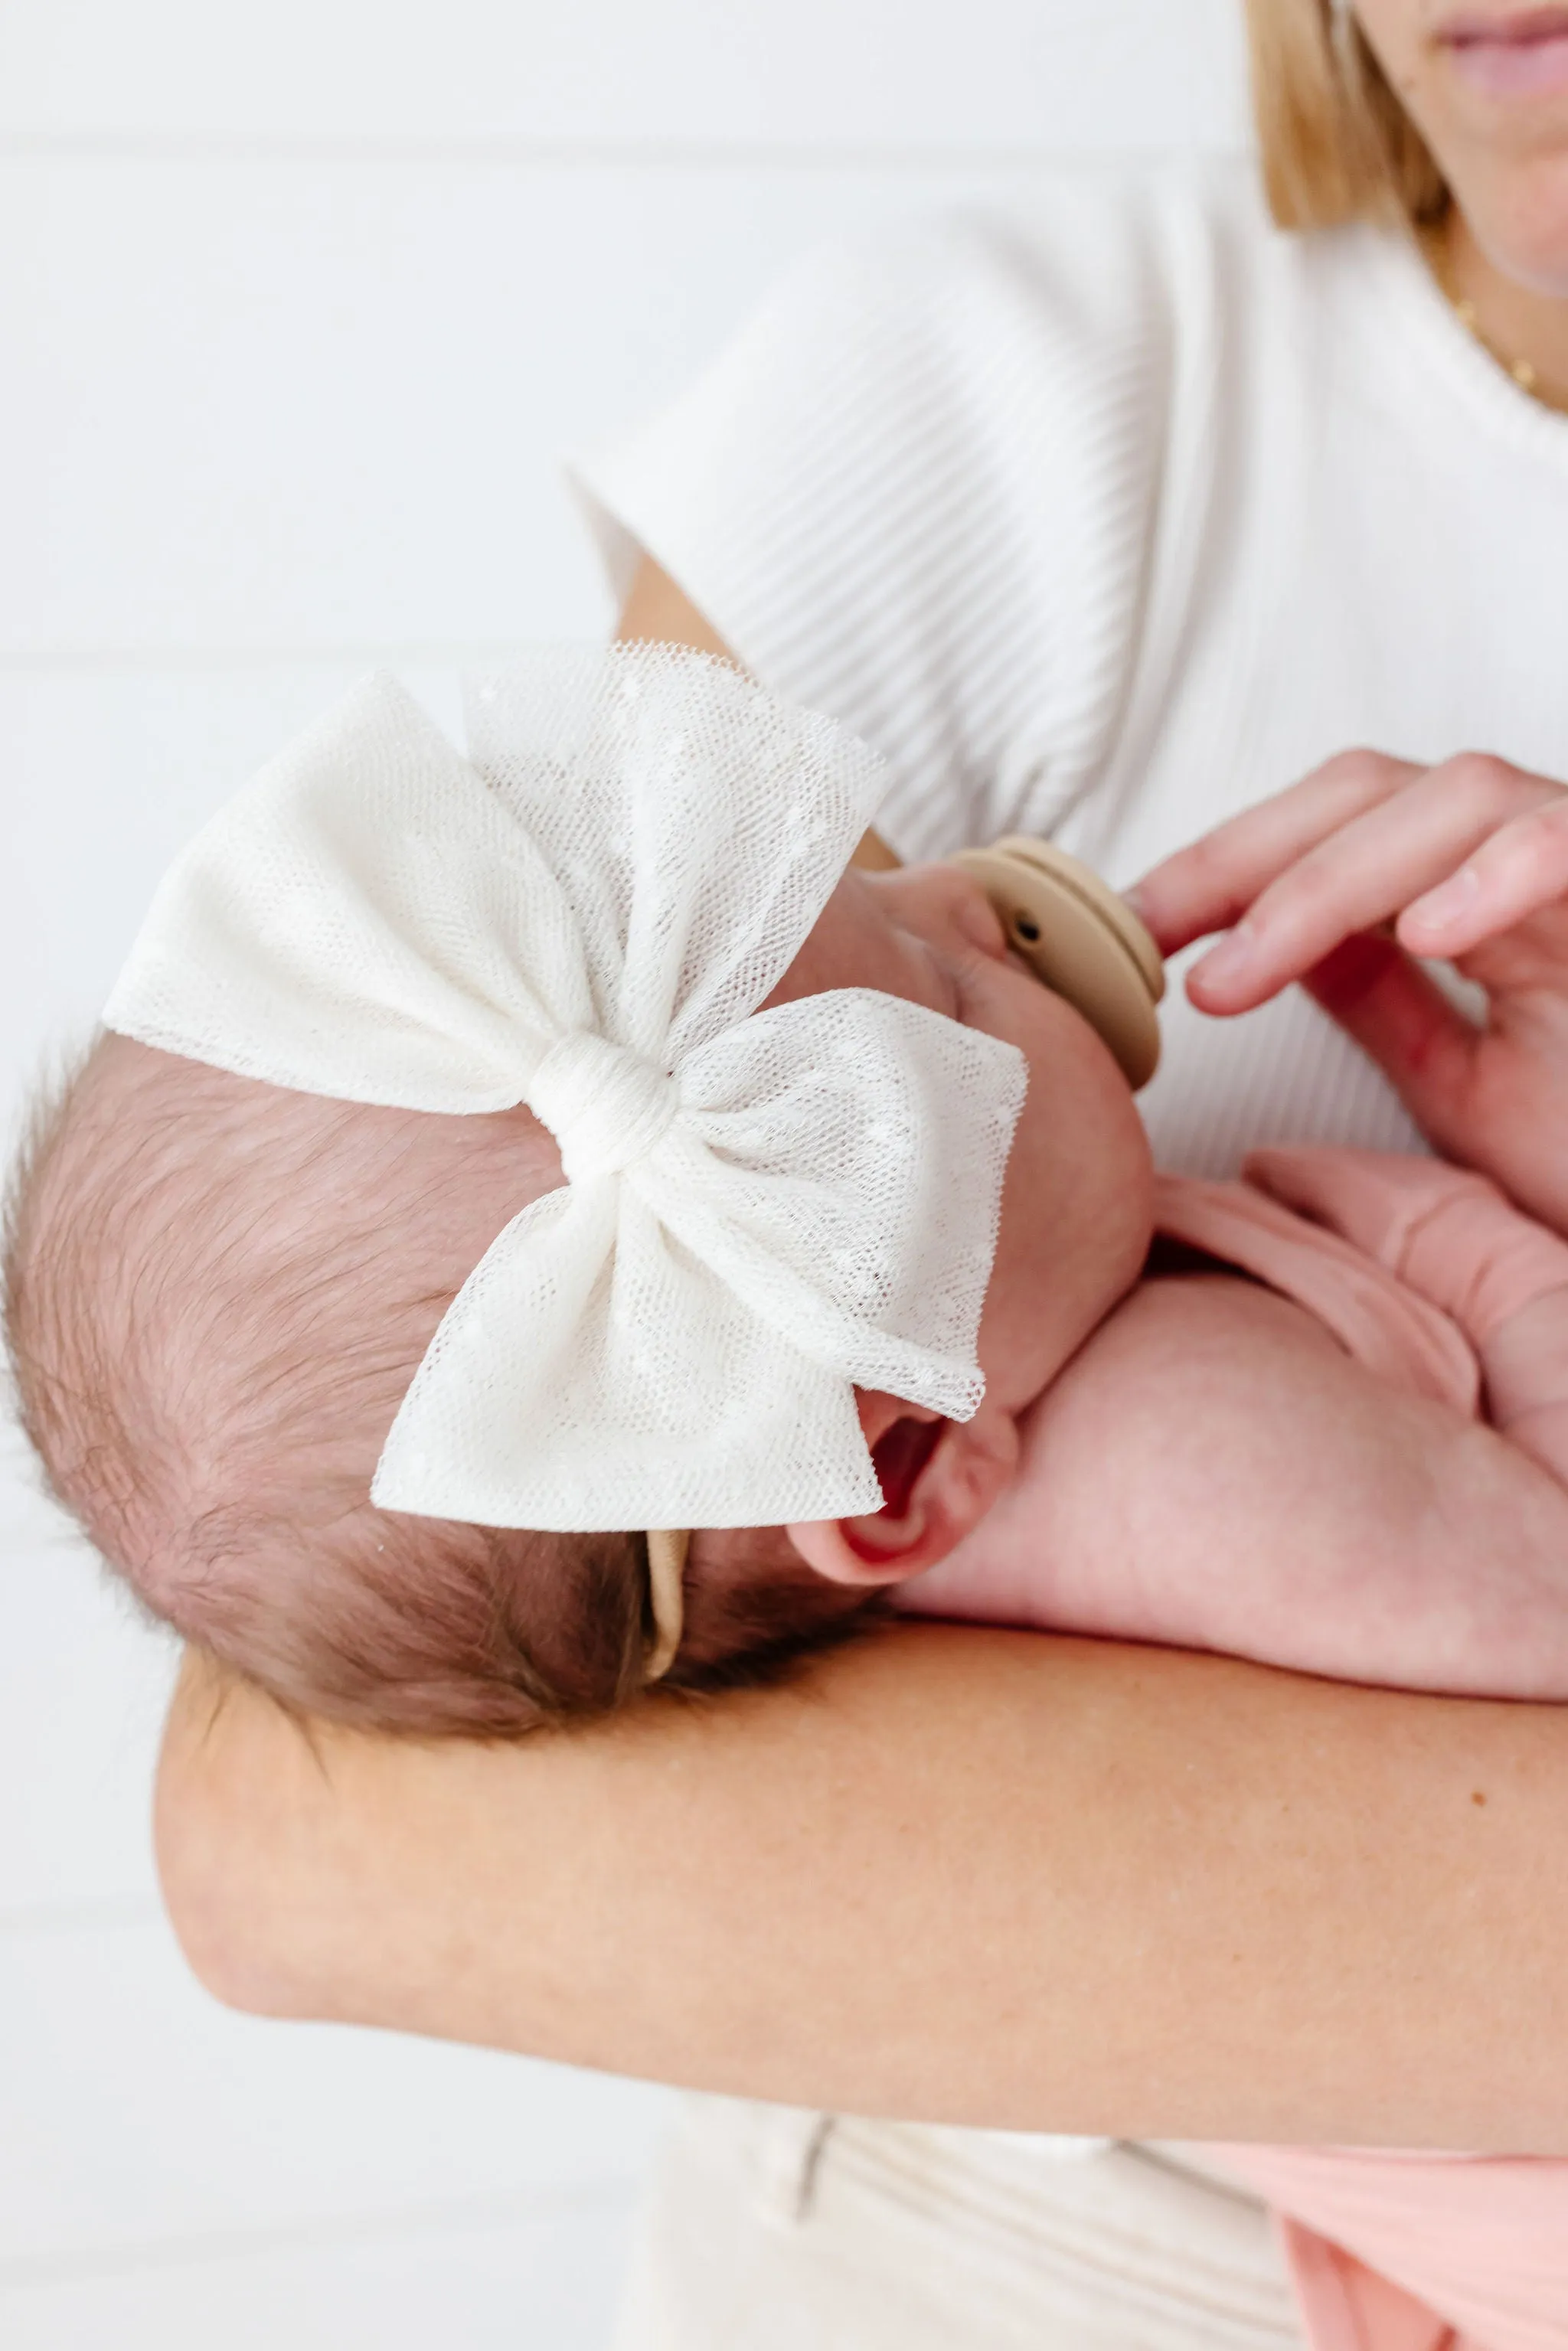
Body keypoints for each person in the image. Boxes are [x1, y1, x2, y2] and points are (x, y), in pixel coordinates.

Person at [147, 0, 1568, 2342]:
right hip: (1012, 2234)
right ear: (901, 1468)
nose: (995, 913)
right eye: (944, 1002)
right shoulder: (1016, 405)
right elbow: (312, 1806)